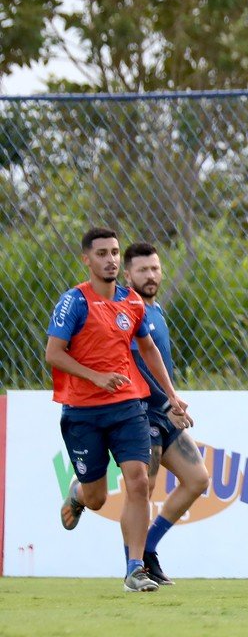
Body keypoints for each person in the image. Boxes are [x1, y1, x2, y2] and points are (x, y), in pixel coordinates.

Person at [48, 227, 191, 593]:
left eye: (114, 252)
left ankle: (134, 568)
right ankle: (80, 494)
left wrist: (171, 395)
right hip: (82, 413)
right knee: (97, 497)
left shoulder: (132, 303)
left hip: (127, 406)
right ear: (86, 259)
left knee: (140, 480)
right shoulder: (74, 302)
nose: (110, 259)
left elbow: (148, 350)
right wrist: (95, 377)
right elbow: (54, 354)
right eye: (102, 253)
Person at [124, 242, 211, 586]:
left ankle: (148, 549)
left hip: (163, 411)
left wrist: (171, 402)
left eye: (155, 268)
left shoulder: (155, 310)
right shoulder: (126, 311)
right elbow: (135, 364)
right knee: (140, 492)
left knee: (197, 479)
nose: (151, 275)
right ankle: (134, 567)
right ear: (128, 274)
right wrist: (169, 400)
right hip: (138, 412)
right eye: (143, 270)